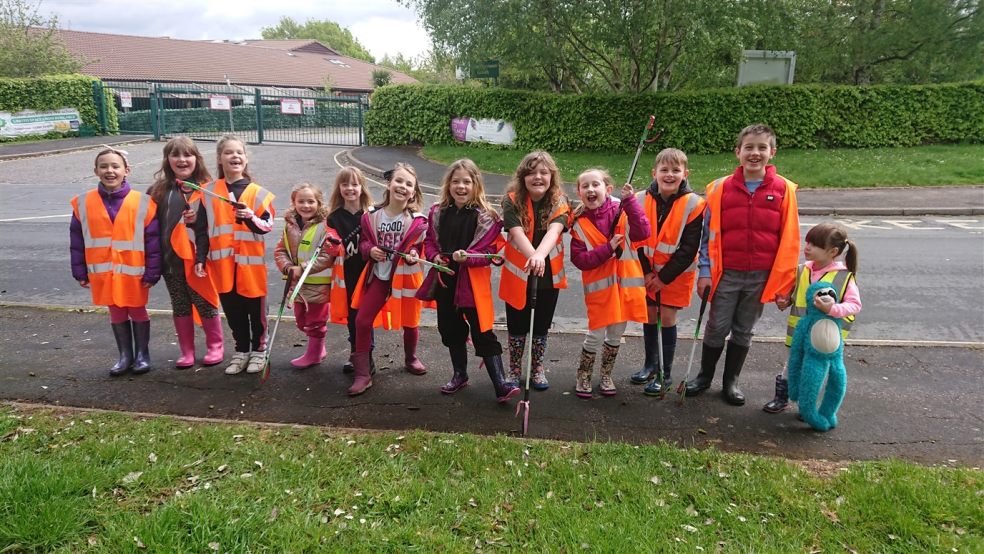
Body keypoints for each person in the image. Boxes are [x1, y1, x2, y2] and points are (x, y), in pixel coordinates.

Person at [685, 124, 800, 405]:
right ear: (738, 152)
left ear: (772, 152)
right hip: (725, 274)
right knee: (716, 327)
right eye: (749, 147)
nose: (755, 153)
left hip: (760, 276)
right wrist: (704, 272)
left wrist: (785, 284)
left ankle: (731, 382)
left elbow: (790, 239)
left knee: (744, 330)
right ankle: (704, 376)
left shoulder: (784, 189)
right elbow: (706, 236)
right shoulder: (719, 188)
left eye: (762, 147)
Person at [416, 159, 519, 403]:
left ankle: (500, 383)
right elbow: (429, 242)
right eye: (455, 181)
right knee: (450, 330)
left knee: (483, 332)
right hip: (445, 282)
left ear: (476, 185)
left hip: (472, 286)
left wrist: (468, 257)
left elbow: (489, 255)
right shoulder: (438, 212)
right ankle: (459, 375)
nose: (461, 187)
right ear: (448, 184)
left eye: (466, 181)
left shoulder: (486, 218)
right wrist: (435, 256)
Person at [70, 147, 160, 376]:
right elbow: (77, 240)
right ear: (96, 171)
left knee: (138, 311)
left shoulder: (143, 203)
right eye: (104, 166)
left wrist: (152, 272)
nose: (110, 171)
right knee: (116, 312)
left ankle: (142, 355)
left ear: (126, 170)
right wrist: (79, 271)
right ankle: (125, 356)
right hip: (104, 273)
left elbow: (153, 242)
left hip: (134, 274)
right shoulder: (83, 203)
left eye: (115, 166)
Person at [629, 148, 706, 396]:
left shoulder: (695, 204)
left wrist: (662, 278)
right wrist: (645, 272)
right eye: (664, 170)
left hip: (674, 276)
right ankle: (650, 365)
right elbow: (635, 239)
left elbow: (688, 248)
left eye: (676, 170)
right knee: (650, 316)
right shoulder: (640, 199)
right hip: (647, 273)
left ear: (685, 173)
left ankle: (666, 372)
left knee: (667, 318)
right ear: (655, 173)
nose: (670, 175)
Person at [348, 163, 429, 396]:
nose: (402, 187)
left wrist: (415, 255)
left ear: (413, 192)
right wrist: (370, 250)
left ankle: (410, 358)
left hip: (405, 279)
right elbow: (364, 242)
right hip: (379, 278)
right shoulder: (371, 216)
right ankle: (363, 374)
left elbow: (421, 247)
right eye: (399, 181)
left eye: (408, 184)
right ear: (389, 184)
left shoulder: (418, 220)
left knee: (410, 321)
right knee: (362, 321)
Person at [569, 168, 650, 398]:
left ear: (608, 189)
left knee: (615, 335)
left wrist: (631, 202)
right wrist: (608, 248)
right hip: (600, 290)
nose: (591, 189)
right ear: (579, 192)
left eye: (596, 185)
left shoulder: (624, 210)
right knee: (595, 335)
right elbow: (580, 260)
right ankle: (583, 375)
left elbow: (643, 231)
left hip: (625, 288)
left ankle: (606, 374)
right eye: (585, 186)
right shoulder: (578, 223)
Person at [765, 222, 861, 413]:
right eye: (807, 241)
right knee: (791, 364)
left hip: (823, 337)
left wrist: (832, 308)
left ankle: (806, 406)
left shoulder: (843, 277)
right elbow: (799, 296)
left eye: (815, 244)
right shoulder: (803, 270)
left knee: (813, 372)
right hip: (799, 334)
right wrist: (787, 301)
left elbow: (855, 305)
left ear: (833, 251)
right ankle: (781, 398)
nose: (807, 247)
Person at [147, 137, 224, 369]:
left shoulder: (209, 187)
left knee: (205, 302)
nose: (182, 160)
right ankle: (187, 351)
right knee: (179, 304)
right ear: (167, 160)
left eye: (187, 155)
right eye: (175, 155)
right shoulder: (158, 190)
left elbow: (219, 223)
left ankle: (215, 346)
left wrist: (198, 221)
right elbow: (149, 227)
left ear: (196, 159)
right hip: (171, 261)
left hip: (199, 260)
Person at [499, 151, 571, 391]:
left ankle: (537, 368)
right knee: (516, 326)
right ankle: (514, 369)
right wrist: (534, 256)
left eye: (543, 172)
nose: (538, 177)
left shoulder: (560, 200)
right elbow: (516, 233)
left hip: (548, 276)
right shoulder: (511, 200)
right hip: (518, 276)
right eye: (532, 172)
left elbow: (555, 230)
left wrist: (540, 256)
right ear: (523, 177)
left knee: (540, 326)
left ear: (552, 176)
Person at [205, 134, 276, 375]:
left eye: (239, 152)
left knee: (256, 312)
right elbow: (201, 229)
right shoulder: (208, 192)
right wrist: (199, 258)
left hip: (250, 266)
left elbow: (267, 226)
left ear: (246, 159)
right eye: (228, 152)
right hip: (223, 265)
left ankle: (259, 350)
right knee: (233, 312)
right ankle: (241, 350)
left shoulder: (258, 193)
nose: (234, 156)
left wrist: (251, 218)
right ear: (219, 158)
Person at [273, 183, 342, 369]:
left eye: (311, 201)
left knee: (315, 322)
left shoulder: (326, 226)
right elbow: (280, 250)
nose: (306, 205)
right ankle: (318, 347)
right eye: (301, 201)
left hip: (318, 284)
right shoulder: (290, 225)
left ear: (318, 203)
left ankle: (314, 355)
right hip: (296, 284)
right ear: (293, 202)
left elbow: (327, 256)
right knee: (301, 321)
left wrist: (302, 268)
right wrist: (288, 267)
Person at [327, 167, 375, 375]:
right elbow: (330, 246)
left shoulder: (371, 215)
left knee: (364, 319)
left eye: (354, 184)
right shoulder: (334, 218)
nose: (350, 188)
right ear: (339, 188)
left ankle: (367, 357)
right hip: (346, 276)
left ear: (362, 187)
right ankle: (356, 352)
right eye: (345, 184)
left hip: (368, 275)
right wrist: (332, 246)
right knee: (352, 319)